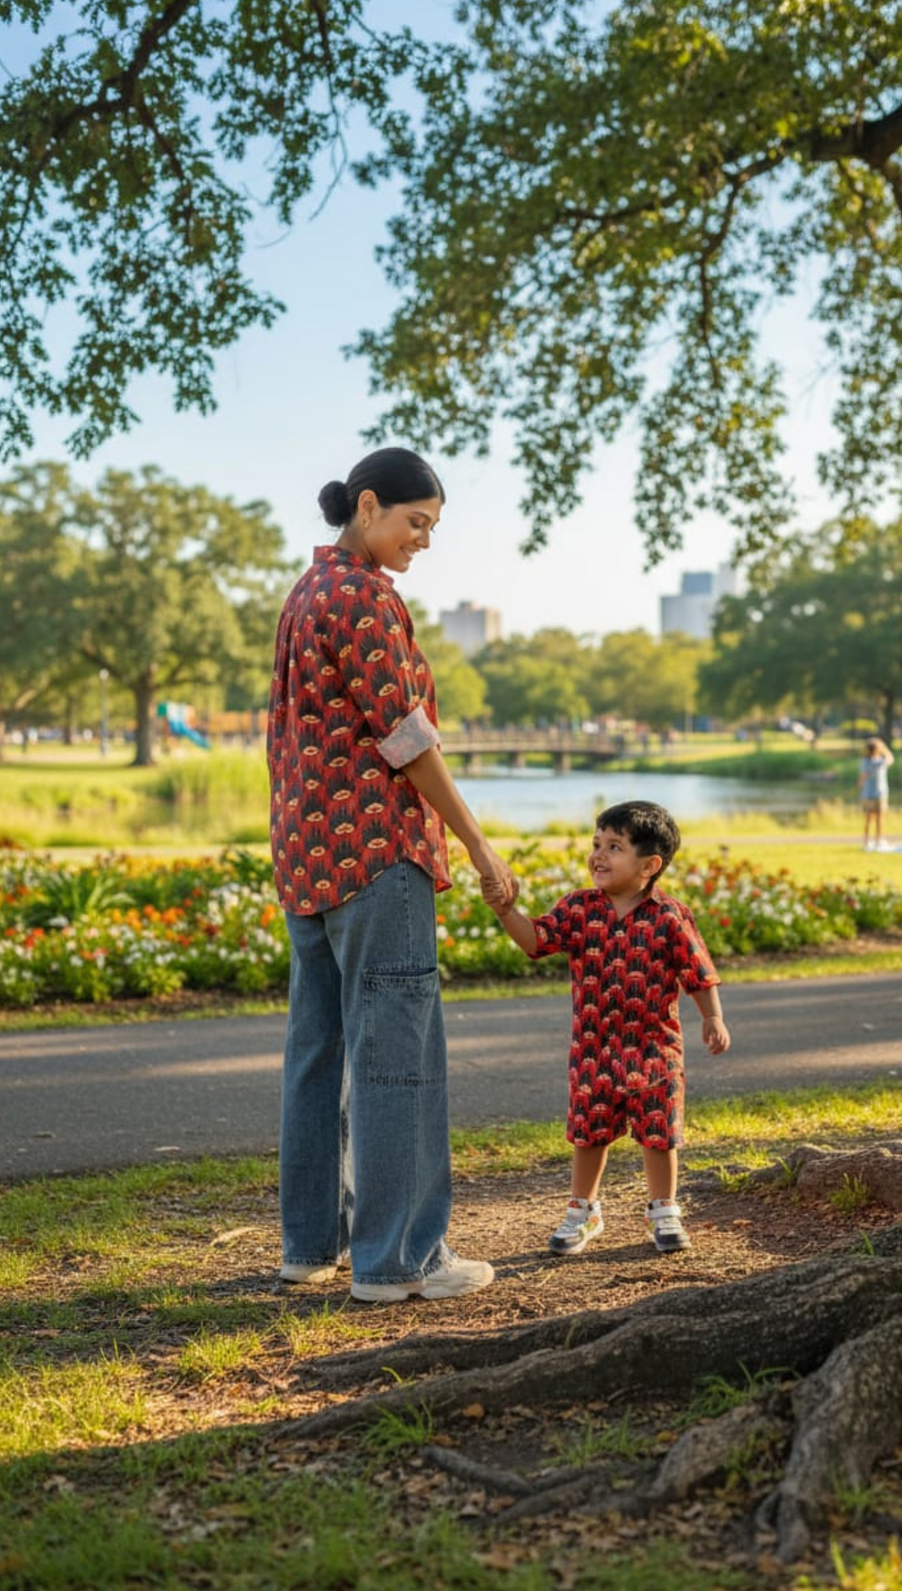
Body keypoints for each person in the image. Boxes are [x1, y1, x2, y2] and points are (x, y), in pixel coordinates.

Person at [267, 446, 515, 1303]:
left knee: (315, 1051)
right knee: (398, 1059)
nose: (424, 541)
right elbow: (406, 739)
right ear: (367, 506)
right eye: (417, 523)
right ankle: (399, 1260)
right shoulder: (364, 597)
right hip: (376, 855)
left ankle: (311, 1244)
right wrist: (479, 844)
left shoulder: (306, 593)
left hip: (306, 856)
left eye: (433, 529)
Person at [482, 800, 730, 1255]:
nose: (598, 854)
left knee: (659, 1131)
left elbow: (697, 970)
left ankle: (663, 1209)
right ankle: (584, 1209)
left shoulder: (669, 917)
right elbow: (537, 941)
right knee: (589, 1132)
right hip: (594, 1049)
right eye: (596, 843)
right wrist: (505, 913)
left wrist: (712, 1016)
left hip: (654, 1050)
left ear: (649, 865)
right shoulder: (579, 909)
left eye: (614, 846)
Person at [858, 736, 894, 850]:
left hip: (867, 794)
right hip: (880, 793)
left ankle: (866, 841)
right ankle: (878, 840)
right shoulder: (881, 761)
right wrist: (884, 749)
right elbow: (891, 758)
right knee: (880, 819)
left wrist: (861, 783)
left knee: (868, 819)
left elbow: (862, 778)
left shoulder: (865, 761)